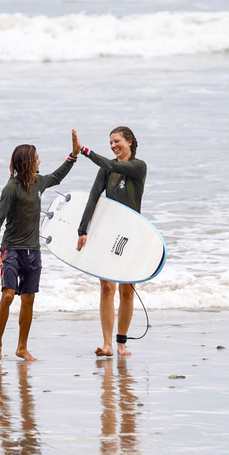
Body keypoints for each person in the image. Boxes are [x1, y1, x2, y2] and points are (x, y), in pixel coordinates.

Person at [0, 140, 79, 361]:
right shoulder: (11, 188)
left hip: (33, 252)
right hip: (11, 250)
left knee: (28, 298)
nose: (40, 161)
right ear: (28, 162)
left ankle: (21, 347)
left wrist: (73, 155)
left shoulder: (39, 183)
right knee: (8, 295)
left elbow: (57, 176)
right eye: (37, 158)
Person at [73, 127, 147, 356]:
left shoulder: (138, 167)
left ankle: (121, 343)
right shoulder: (106, 170)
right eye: (110, 142)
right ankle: (106, 344)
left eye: (117, 141)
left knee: (127, 291)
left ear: (130, 142)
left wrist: (84, 150)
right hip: (107, 234)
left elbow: (114, 165)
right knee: (106, 288)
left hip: (132, 235)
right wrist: (82, 229)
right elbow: (93, 197)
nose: (113, 145)